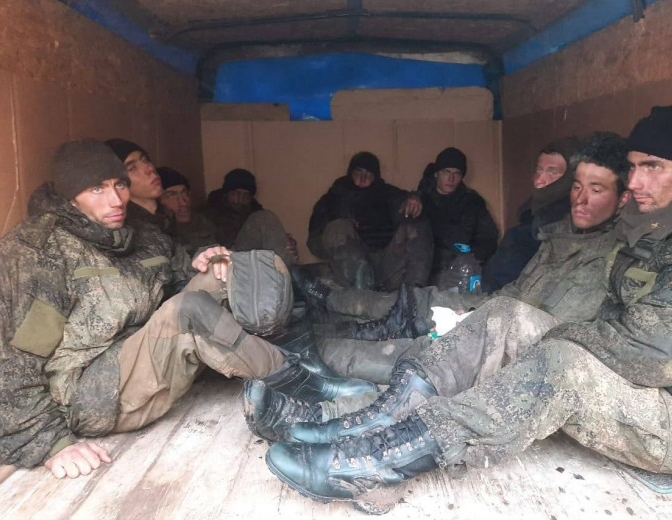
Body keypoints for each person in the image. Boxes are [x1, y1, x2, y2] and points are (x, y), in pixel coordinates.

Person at [263, 103, 672, 501]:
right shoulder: (664, 220)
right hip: (641, 384)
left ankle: (380, 460)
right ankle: (375, 420)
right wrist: (527, 333)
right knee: (507, 316)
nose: (637, 181)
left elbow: (657, 354)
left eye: (653, 167)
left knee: (561, 362)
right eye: (635, 167)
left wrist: (546, 343)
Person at [0, 140, 375, 480]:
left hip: (140, 355)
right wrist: (51, 443)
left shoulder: (136, 233)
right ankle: (302, 387)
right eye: (97, 189)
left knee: (230, 271)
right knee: (189, 311)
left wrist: (206, 259)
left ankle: (303, 360)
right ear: (70, 197)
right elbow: (13, 359)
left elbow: (179, 276)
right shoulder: (42, 250)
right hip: (88, 393)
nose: (115, 200)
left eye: (119, 185)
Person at [248, 131, 630, 418]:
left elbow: (546, 330)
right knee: (412, 318)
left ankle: (315, 401)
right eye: (576, 186)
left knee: (419, 359)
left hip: (496, 330)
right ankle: (315, 337)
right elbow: (515, 293)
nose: (580, 197)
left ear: (622, 198)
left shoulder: (606, 256)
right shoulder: (556, 234)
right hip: (478, 306)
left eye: (594, 189)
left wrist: (471, 284)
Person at [307, 151, 433, 291]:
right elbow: (314, 242)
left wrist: (413, 199)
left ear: (375, 176)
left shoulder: (386, 193)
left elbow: (400, 203)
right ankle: (362, 289)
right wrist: (342, 234)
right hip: (349, 269)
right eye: (358, 172)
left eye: (368, 174)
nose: (362, 178)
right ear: (350, 173)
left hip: (387, 264)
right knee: (338, 227)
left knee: (416, 220)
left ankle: (413, 292)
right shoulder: (332, 199)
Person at [482, 137, 581, 292]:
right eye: (538, 170)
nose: (539, 180)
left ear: (570, 178)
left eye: (552, 172)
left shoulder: (571, 224)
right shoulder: (530, 217)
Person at [417, 147, 498, 286]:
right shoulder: (421, 201)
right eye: (446, 172)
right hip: (426, 271)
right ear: (436, 174)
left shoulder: (472, 202)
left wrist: (471, 258)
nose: (451, 178)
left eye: (457, 173)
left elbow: (488, 238)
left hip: (462, 271)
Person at [205, 168, 298, 266]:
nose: (239, 200)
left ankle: (289, 269)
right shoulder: (210, 215)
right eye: (235, 194)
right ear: (226, 193)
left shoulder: (255, 214)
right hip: (226, 261)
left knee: (266, 219)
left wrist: (285, 244)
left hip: (254, 263)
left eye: (245, 196)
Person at [105, 138, 174, 234]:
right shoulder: (127, 231)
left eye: (145, 160)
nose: (150, 169)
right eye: (132, 168)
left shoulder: (169, 215)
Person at [156, 166, 218, 257]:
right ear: (157, 202)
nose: (183, 203)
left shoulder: (203, 224)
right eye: (171, 196)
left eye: (185, 194)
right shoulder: (156, 234)